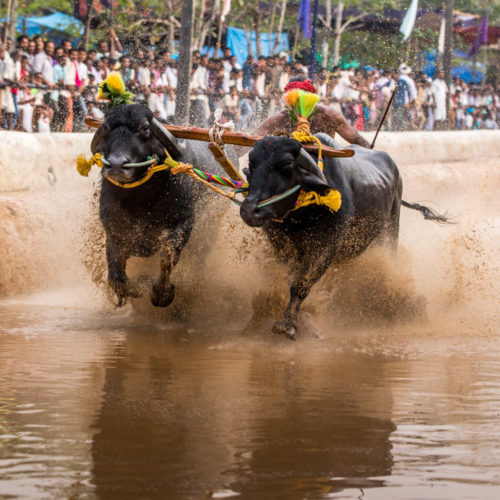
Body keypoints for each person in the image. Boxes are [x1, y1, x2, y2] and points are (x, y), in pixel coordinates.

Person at [251, 76, 371, 149]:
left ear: (310, 97)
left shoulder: (328, 115)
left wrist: (371, 152)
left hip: (326, 165)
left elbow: (355, 138)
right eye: (293, 100)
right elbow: (251, 139)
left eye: (302, 99)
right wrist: (232, 153)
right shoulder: (280, 118)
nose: (298, 104)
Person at [392, 63, 417, 131]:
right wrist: (412, 103)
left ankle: (395, 130)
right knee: (403, 118)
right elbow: (412, 93)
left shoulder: (397, 79)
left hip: (395, 102)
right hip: (404, 102)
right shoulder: (409, 80)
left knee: (395, 118)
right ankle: (403, 131)